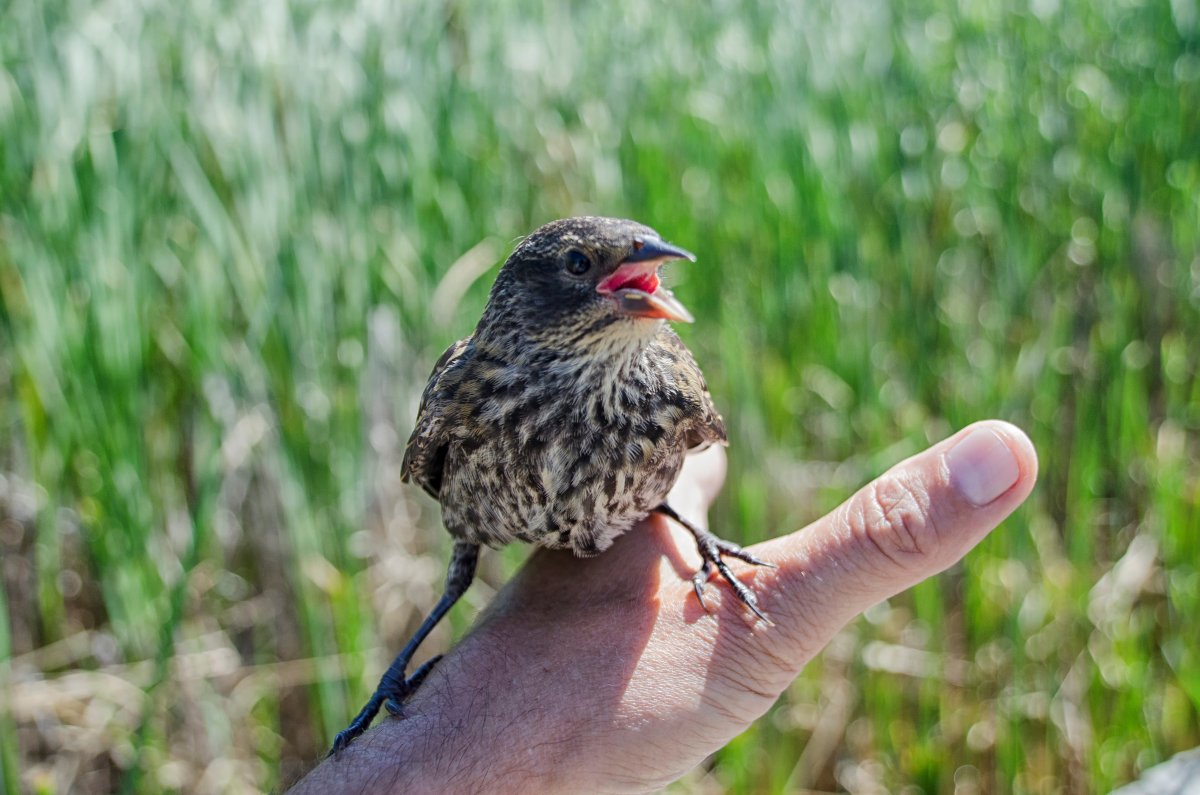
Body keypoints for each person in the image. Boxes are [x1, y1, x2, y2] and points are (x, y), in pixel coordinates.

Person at [290, 421, 1037, 793]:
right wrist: (434, 747)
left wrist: (681, 529)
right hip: (509, 532)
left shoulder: (660, 384)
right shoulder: (472, 388)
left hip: (645, 523)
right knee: (458, 576)